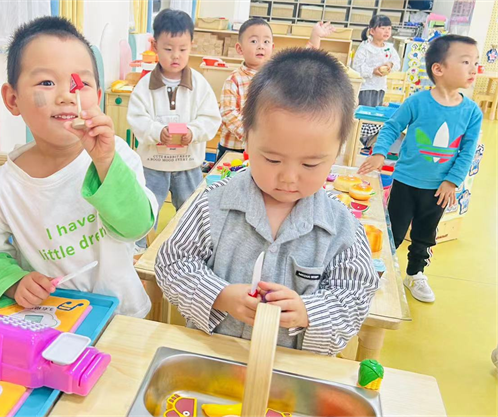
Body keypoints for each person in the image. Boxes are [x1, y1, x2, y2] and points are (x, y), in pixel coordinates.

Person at [156, 48, 379, 356]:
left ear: (338, 150)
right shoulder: (212, 204)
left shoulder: (342, 226)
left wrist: (308, 312)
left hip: (292, 368)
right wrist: (220, 295)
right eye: (273, 159)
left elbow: (355, 298)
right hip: (214, 357)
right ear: (247, 138)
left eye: (310, 164)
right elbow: (172, 263)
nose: (289, 177)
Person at [0, 16, 157, 318]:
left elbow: (137, 227)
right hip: (50, 320)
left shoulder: (117, 156)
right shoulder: (2, 190)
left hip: (123, 316)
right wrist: (14, 281)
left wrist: (105, 163)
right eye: (47, 83)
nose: (66, 96)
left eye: (81, 84)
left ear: (97, 97)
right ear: (13, 99)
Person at [359, 35, 482, 303]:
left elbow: (467, 150)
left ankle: (415, 273)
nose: (474, 69)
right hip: (405, 181)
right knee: (393, 231)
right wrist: (379, 153)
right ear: (438, 69)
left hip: (439, 188)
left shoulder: (472, 112)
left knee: (425, 234)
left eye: (476, 62)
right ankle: (380, 270)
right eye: (466, 62)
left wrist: (452, 181)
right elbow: (392, 127)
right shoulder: (417, 102)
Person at [127, 9, 221, 252]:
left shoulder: (199, 84)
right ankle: (137, 249)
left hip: (188, 165)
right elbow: (136, 118)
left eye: (183, 49)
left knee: (192, 211)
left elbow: (211, 118)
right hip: (153, 165)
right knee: (145, 209)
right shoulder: (144, 86)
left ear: (191, 46)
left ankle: (190, 249)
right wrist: (157, 132)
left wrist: (194, 132)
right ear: (155, 46)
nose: (175, 56)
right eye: (168, 49)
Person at [217, 19, 336, 160]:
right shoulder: (234, 80)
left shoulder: (277, 76)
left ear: (272, 47)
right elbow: (228, 113)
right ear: (239, 49)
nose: (261, 46)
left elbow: (303, 64)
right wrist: (252, 135)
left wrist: (315, 36)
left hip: (267, 148)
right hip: (234, 149)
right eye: (254, 41)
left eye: (266, 42)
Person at [352, 15, 401, 149]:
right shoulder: (365, 47)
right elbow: (357, 68)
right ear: (372, 31)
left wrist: (390, 64)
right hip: (366, 88)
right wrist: (373, 71)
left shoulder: (389, 48)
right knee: (365, 114)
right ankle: (359, 141)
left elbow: (397, 63)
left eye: (389, 29)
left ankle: (369, 142)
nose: (387, 31)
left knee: (377, 115)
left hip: (380, 88)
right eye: (383, 28)